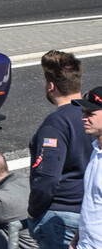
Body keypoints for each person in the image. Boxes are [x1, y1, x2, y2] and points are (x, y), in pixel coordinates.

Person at [28, 50, 93, 249]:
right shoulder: (94, 117)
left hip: (61, 217)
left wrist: (33, 211)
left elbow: (48, 177)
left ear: (51, 85)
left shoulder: (55, 124)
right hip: (88, 213)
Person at [69, 87, 102, 249]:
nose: (83, 118)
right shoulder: (96, 150)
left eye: (90, 113)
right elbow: (92, 203)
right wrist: (77, 238)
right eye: (83, 112)